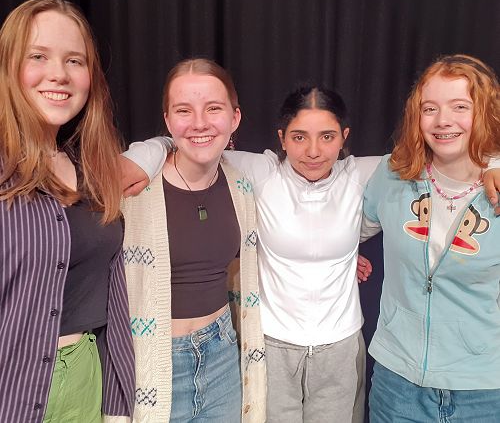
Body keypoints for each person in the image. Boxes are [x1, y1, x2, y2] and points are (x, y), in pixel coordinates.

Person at [122, 80, 500, 423]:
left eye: (327, 137)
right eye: (300, 137)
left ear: (344, 137)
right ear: (282, 138)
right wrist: (146, 153)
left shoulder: (365, 174)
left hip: (340, 347)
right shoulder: (261, 172)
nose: (314, 151)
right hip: (271, 344)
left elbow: (444, 152)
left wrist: (494, 162)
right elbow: (195, 141)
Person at [0, 0, 135, 422]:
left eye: (74, 61)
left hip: (84, 382)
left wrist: (117, 406)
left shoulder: (91, 170)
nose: (58, 74)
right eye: (38, 56)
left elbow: (113, 297)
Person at [120, 58, 266, 422]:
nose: (200, 123)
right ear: (168, 121)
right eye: (184, 110)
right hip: (153, 360)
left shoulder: (242, 185)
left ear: (234, 118)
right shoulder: (132, 188)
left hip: (222, 355)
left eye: (213, 108)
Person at [362, 54, 500, 422]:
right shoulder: (392, 174)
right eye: (430, 108)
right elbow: (343, 227)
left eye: (460, 106)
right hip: (397, 383)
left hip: (484, 390)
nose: (443, 121)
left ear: (484, 112)